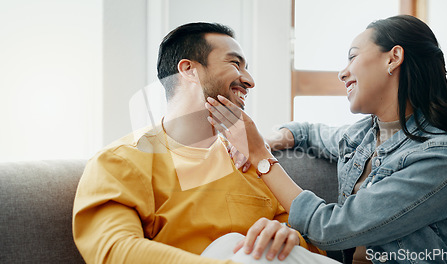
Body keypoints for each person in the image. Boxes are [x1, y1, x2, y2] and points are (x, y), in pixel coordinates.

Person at [205, 15, 447, 263]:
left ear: (394, 58)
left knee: (246, 253)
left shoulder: (439, 156)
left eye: (353, 56)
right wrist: (274, 138)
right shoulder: (363, 134)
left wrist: (260, 155)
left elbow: (330, 228)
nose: (342, 73)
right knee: (231, 244)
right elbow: (307, 132)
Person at [72, 22, 334, 264]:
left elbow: (312, 247)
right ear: (189, 70)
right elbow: (115, 251)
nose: (249, 81)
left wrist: (287, 236)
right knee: (234, 245)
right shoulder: (120, 162)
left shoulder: (249, 161)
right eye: (235, 64)